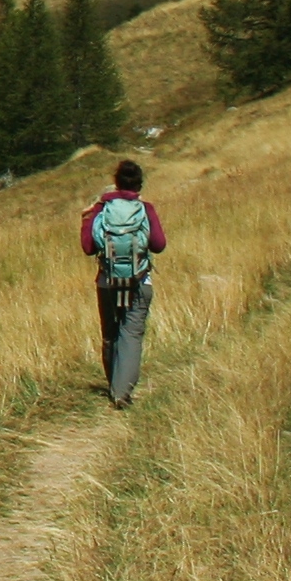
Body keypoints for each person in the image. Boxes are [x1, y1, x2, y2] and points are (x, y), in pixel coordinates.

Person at [79, 157, 165, 410]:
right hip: (138, 282)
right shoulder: (145, 209)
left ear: (116, 184)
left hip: (107, 282)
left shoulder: (100, 210)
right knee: (131, 333)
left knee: (111, 333)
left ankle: (113, 384)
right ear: (139, 185)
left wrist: (86, 220)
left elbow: (87, 248)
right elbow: (159, 245)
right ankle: (121, 392)